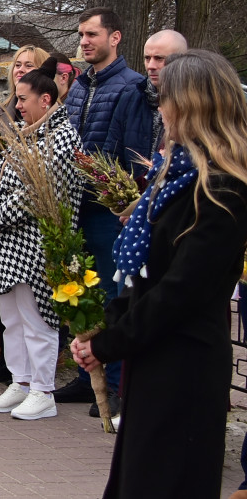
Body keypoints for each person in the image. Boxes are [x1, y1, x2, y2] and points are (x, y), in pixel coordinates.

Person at [72, 50, 247, 498]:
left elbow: (181, 290)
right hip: (154, 357)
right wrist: (103, 330)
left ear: (192, 105)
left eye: (165, 97)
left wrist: (111, 342)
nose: (160, 107)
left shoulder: (224, 190)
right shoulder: (179, 177)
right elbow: (145, 275)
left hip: (185, 365)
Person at [0, 58, 83, 421]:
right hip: (10, 243)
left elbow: (38, 192)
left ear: (46, 99)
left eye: (23, 98)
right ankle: (21, 382)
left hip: (37, 243)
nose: (18, 105)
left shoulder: (63, 136)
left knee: (39, 320)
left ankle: (42, 389)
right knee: (13, 320)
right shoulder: (27, 134)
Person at [57, 7, 147, 413]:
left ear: (115, 38)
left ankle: (113, 386)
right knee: (79, 294)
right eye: (81, 35)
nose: (84, 42)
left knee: (110, 295)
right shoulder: (78, 86)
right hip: (75, 206)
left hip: (107, 211)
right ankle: (85, 377)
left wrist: (124, 205)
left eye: (92, 34)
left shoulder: (131, 87)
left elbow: (133, 153)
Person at [0, 44, 49, 384]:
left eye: (28, 65)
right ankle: (13, 370)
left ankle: (37, 381)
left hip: (25, 225)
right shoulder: (0, 114)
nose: (20, 70)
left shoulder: (49, 125)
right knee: (7, 306)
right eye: (17, 65)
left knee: (32, 311)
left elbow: (36, 185)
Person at [106, 29, 188, 167]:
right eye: (147, 58)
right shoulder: (130, 98)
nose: (151, 66)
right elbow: (112, 153)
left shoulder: (194, 103)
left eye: (159, 58)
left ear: (180, 60)